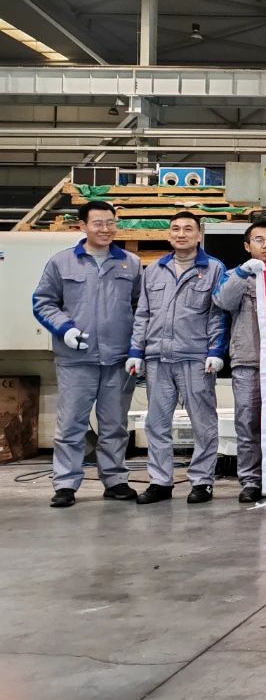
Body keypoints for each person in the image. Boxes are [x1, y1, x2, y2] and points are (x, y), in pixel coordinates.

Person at [32, 200, 143, 508]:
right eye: (98, 223)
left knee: (115, 425)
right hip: (75, 360)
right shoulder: (62, 262)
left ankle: (115, 480)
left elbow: (141, 308)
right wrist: (64, 329)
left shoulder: (131, 264)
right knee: (71, 425)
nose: (105, 229)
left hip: (118, 359)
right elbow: (43, 302)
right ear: (82, 226)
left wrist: (137, 348)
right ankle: (65, 484)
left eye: (110, 223)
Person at [127, 212, 228, 505]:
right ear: (169, 234)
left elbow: (218, 315)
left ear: (199, 235)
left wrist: (215, 352)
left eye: (187, 229)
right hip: (158, 359)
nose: (181, 234)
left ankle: (202, 482)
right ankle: (160, 481)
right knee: (156, 424)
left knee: (203, 423)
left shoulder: (214, 269)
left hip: (196, 358)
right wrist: (136, 351)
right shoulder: (154, 270)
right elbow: (143, 314)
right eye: (175, 229)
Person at [212, 219, 266, 504]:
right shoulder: (234, 276)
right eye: (259, 240)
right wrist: (243, 273)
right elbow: (222, 302)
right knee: (247, 423)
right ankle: (252, 481)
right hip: (248, 361)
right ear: (247, 246)